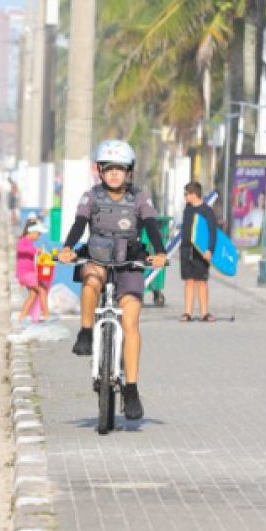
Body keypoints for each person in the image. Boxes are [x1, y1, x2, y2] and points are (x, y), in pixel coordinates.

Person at [57, 139, 166, 421]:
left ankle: (131, 389)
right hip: (99, 257)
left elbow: (152, 226)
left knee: (130, 322)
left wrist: (160, 252)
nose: (115, 174)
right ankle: (85, 332)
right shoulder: (91, 196)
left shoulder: (140, 198)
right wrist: (68, 248)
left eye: (121, 169)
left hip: (129, 261)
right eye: (109, 169)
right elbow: (80, 223)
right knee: (91, 277)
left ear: (129, 172)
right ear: (100, 171)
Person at [179, 181, 218, 322]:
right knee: (189, 281)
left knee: (201, 281)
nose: (185, 197)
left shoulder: (207, 211)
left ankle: (204, 313)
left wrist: (210, 249)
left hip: (201, 252)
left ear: (194, 194)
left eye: (186, 194)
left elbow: (213, 233)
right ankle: (187, 312)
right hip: (186, 250)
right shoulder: (187, 210)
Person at [16, 220, 50, 324]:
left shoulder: (29, 242)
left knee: (33, 294)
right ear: (31, 232)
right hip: (25, 273)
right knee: (42, 289)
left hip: (27, 273)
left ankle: (22, 317)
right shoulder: (23, 240)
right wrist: (35, 250)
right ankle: (46, 315)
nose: (39, 237)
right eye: (38, 234)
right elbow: (20, 249)